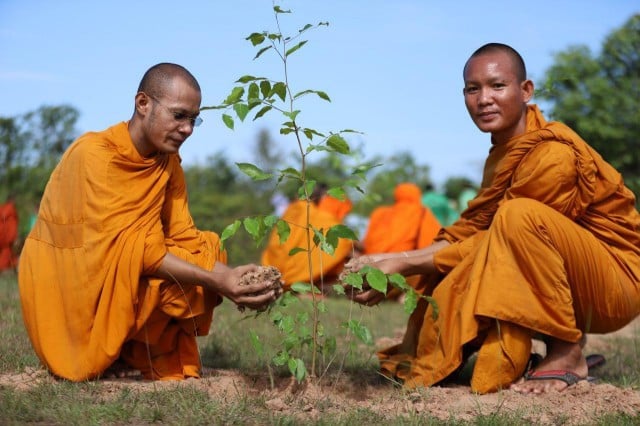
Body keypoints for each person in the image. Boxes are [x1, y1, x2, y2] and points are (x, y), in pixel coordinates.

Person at [343, 43, 640, 394]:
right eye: (473, 88)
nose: (484, 98)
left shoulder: (553, 155)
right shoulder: (502, 154)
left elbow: (508, 237)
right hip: (573, 276)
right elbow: (470, 231)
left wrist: (403, 261)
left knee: (518, 218)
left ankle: (567, 352)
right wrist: (383, 266)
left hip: (615, 285)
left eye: (497, 86)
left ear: (525, 90)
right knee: (460, 258)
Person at [18, 63, 282, 382]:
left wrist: (233, 277)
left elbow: (182, 237)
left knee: (207, 247)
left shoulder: (167, 163)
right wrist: (218, 282)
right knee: (165, 266)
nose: (188, 129)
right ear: (143, 104)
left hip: (122, 267)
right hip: (70, 284)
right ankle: (104, 349)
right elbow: (134, 252)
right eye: (179, 115)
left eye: (193, 119)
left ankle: (128, 352)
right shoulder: (96, 156)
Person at [261, 185, 354, 292]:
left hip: (274, 266)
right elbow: (343, 239)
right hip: (295, 270)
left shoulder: (291, 209)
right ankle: (308, 287)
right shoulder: (315, 214)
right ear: (319, 198)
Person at [0, 194, 19, 271]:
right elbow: (12, 226)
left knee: (9, 254)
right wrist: (14, 237)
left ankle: (13, 265)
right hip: (6, 237)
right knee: (6, 253)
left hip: (3, 236)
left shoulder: (2, 208)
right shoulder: (11, 210)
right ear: (12, 201)